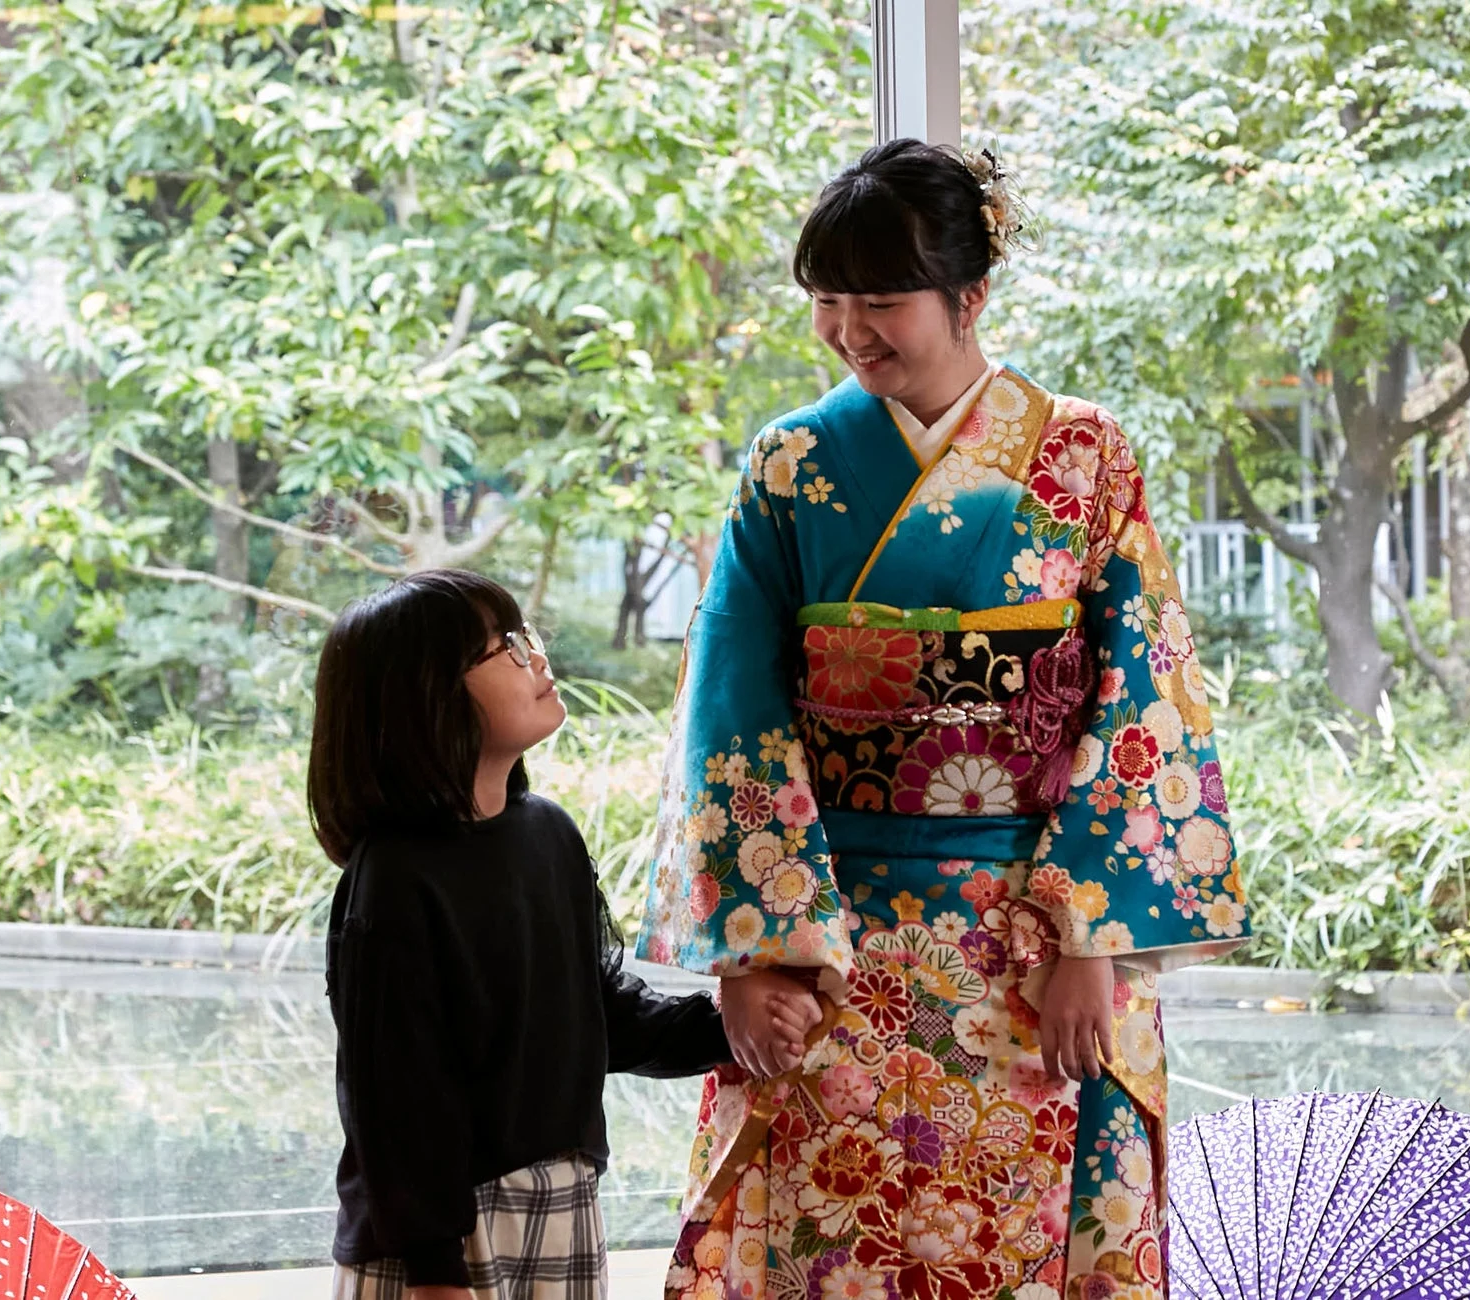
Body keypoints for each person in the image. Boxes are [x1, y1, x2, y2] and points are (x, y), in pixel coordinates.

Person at [636, 141, 1251, 1300]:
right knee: (827, 1245)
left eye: (880, 301)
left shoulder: (1083, 456)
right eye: (827, 301)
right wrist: (750, 954)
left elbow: (1143, 696)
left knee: (1031, 1238)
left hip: (1033, 950)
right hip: (831, 942)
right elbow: (731, 707)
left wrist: (1094, 941)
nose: (848, 332)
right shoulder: (791, 465)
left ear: (971, 294)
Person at [309, 569, 815, 1300]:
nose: (536, 657)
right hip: (437, 1239)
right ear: (424, 696)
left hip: (562, 1201)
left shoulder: (548, 834)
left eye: (526, 636)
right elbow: (395, 1098)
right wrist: (433, 1271)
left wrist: (731, 1025)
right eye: (503, 647)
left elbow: (602, 1014)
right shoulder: (392, 878)